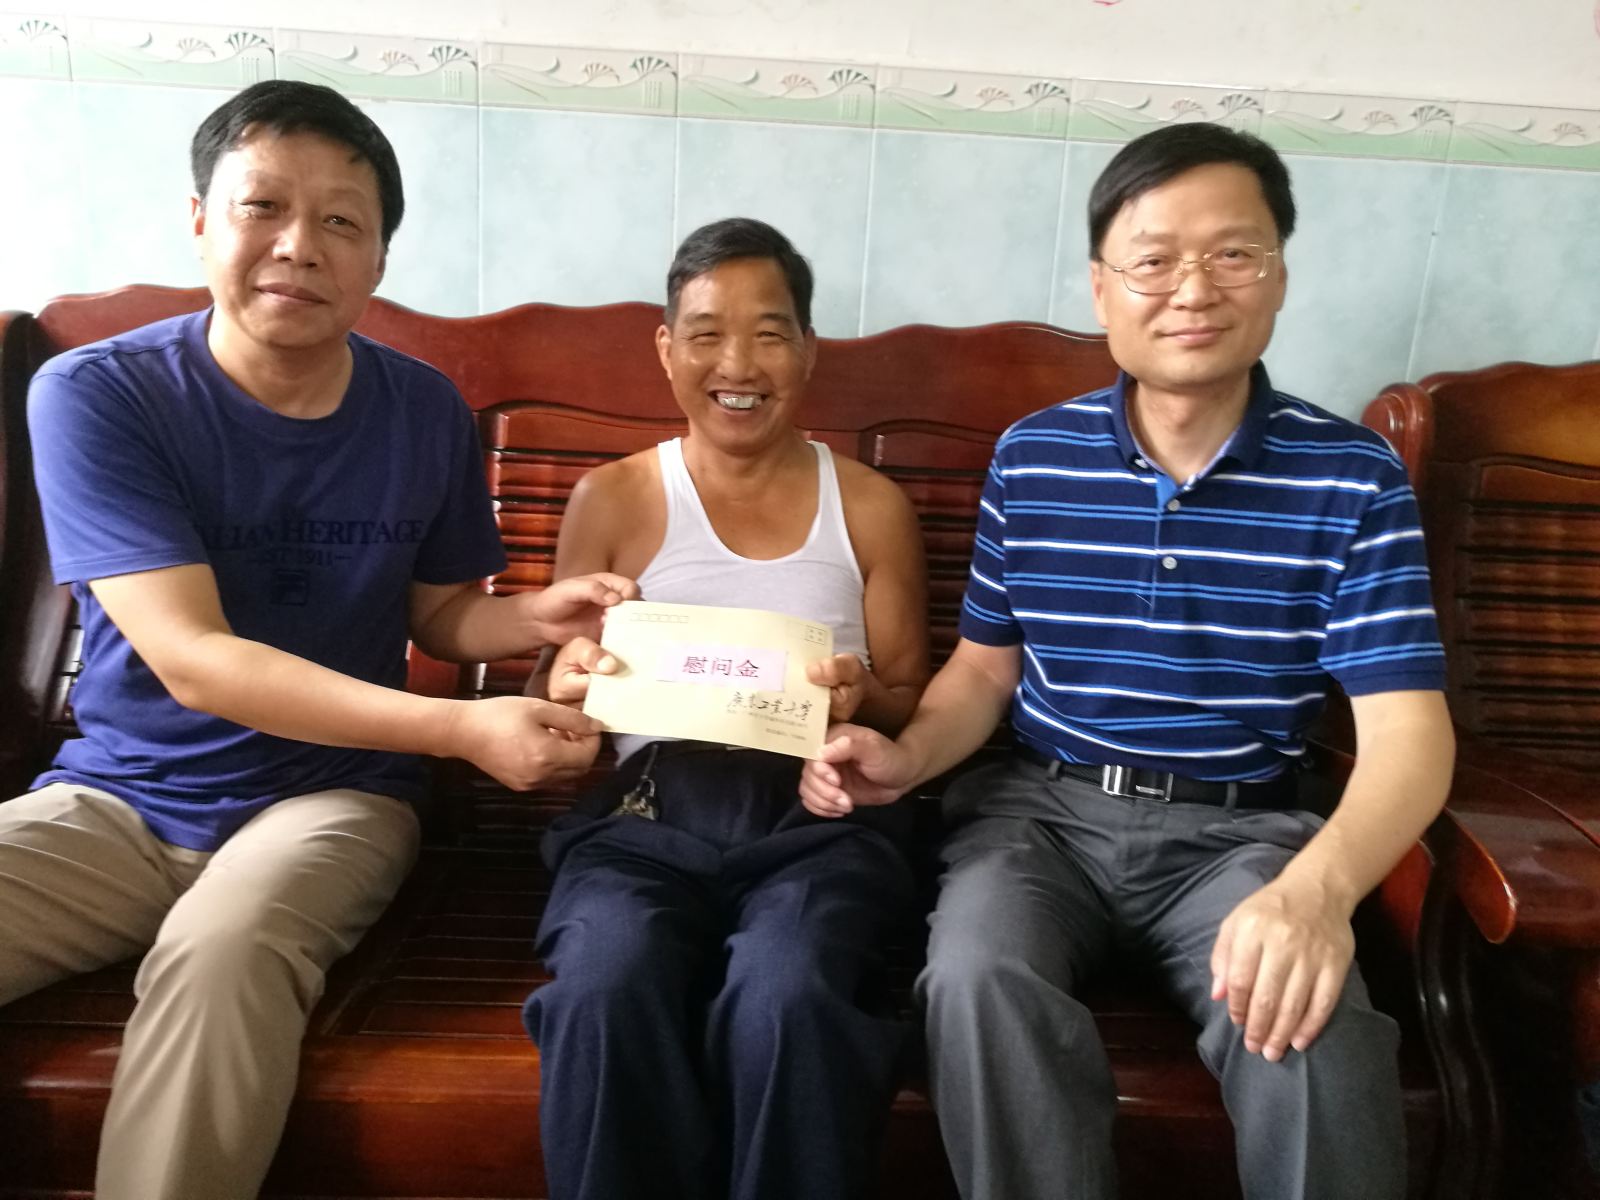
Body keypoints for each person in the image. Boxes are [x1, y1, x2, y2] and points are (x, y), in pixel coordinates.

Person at [1, 80, 632, 1200]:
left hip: (334, 797)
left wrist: (536, 616)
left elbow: (440, 616)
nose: (299, 245)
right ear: (201, 220)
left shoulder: (422, 410)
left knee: (223, 953)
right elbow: (193, 660)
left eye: (342, 220)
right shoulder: (96, 395)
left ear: (379, 258)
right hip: (119, 796)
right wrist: (461, 731)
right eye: (264, 207)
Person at [799, 123, 1454, 1200]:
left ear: (1279, 275)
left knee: (1314, 1027)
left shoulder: (1352, 478)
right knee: (972, 978)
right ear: (1102, 288)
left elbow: (1407, 731)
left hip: (1240, 837)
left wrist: (1318, 892)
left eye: (1232, 253)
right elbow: (984, 671)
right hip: (1040, 821)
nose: (1192, 288)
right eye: (1153, 260)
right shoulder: (1034, 456)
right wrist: (904, 761)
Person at [522, 217, 930, 1200]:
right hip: (642, 821)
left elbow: (910, 700)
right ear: (666, 349)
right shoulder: (611, 498)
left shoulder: (869, 505)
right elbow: (554, 700)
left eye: (769, 334)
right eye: (706, 334)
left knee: (790, 993)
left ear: (809, 350)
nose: (737, 365)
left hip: (819, 823)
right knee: (605, 984)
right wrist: (569, 685)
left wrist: (858, 696)